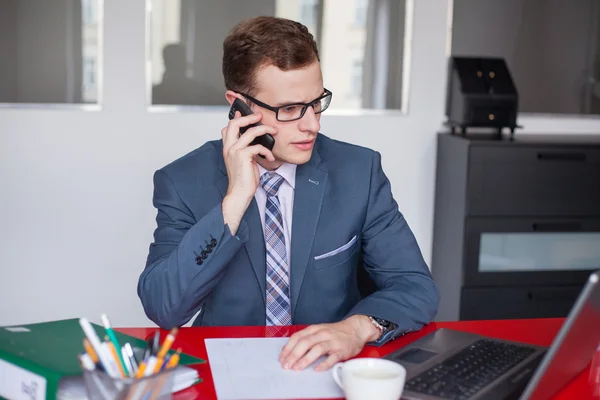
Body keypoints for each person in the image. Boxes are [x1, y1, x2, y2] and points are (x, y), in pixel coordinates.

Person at [138, 16, 439, 372]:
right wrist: (235, 200)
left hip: (328, 370)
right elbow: (163, 307)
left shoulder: (359, 171)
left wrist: (356, 329)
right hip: (229, 371)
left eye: (316, 102)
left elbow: (416, 286)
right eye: (290, 110)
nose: (312, 124)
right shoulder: (183, 181)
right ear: (239, 106)